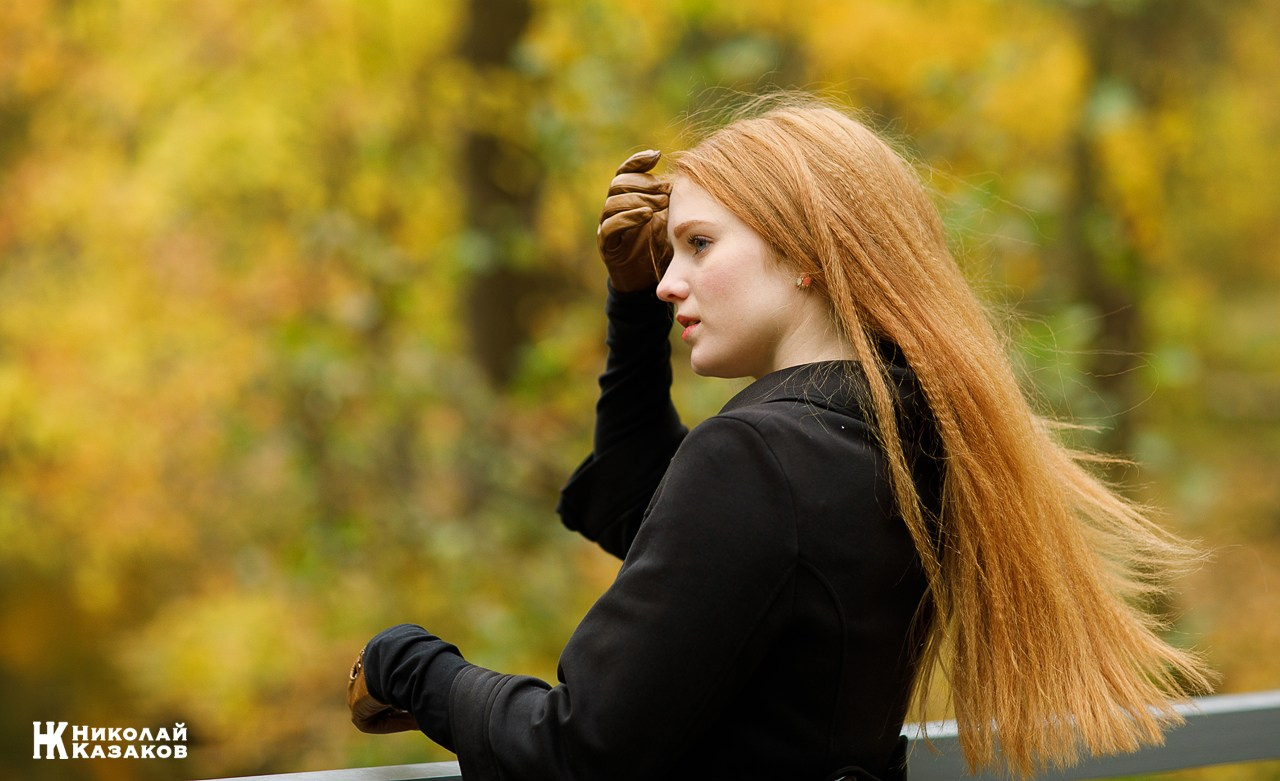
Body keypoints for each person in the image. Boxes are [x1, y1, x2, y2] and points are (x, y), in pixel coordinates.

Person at [346, 96, 1212, 780]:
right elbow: (657, 516)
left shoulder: (760, 456)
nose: (667, 282)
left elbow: (580, 752)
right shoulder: (904, 441)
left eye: (697, 245)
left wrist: (413, 666)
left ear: (804, 252)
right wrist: (631, 314)